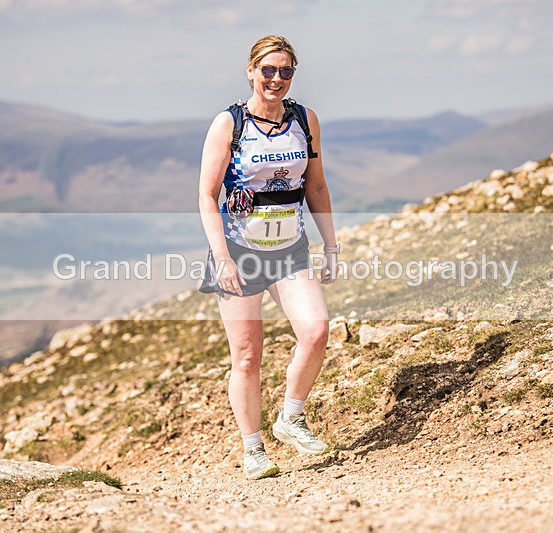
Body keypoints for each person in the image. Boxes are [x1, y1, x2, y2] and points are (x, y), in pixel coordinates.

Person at [198, 35, 340, 480]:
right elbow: (206, 195)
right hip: (240, 252)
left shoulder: (304, 119)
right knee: (247, 356)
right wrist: (222, 257)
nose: (277, 79)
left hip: (290, 249)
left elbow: (315, 185)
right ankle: (253, 449)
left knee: (316, 331)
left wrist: (331, 245)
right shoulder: (229, 124)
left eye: (286, 71)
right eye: (268, 70)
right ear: (251, 71)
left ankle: (291, 417)